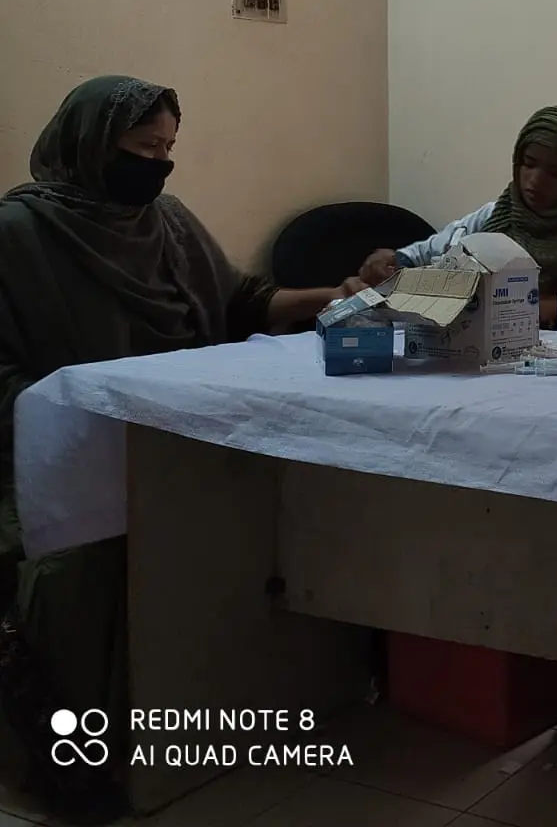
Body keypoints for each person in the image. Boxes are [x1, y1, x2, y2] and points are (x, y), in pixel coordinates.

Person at [0, 76, 349, 822]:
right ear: (92, 144)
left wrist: (335, 297)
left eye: (168, 148)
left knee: (283, 505)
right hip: (63, 452)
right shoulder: (18, 234)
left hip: (178, 435)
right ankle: (86, 756)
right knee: (92, 563)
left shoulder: (169, 221)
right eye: (143, 147)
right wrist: (83, 412)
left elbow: (243, 301)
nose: (158, 164)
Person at [358, 106, 557, 329]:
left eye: (554, 173)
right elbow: (430, 251)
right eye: (529, 163)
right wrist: (393, 260)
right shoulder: (495, 215)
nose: (535, 180)